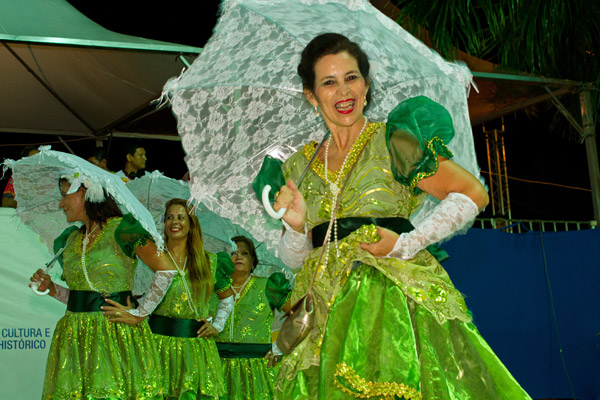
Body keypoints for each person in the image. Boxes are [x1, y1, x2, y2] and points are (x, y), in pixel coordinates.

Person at [271, 33, 531, 399]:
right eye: (329, 82)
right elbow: (296, 259)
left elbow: (473, 194)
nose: (343, 91)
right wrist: (296, 227)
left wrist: (407, 243)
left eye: (352, 77)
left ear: (365, 84)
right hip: (321, 310)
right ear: (311, 96)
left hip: (388, 298)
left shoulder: (394, 140)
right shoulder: (298, 165)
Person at [29, 170, 177, 399]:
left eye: (63, 195)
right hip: (73, 338)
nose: (61, 203)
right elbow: (83, 298)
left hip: (114, 335)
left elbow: (166, 269)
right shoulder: (69, 240)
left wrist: (141, 312)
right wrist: (51, 288)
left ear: (84, 192)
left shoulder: (122, 229)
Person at [104, 198, 236, 400]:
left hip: (195, 352)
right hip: (156, 347)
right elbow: (138, 292)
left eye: (181, 217)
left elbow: (227, 298)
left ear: (191, 225)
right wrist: (135, 309)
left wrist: (218, 325)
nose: (175, 222)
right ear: (163, 224)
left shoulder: (210, 262)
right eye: (169, 218)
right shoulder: (153, 258)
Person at [211, 235, 292, 400]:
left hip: (257, 368)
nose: (238, 256)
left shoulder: (268, 286)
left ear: (253, 261)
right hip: (216, 367)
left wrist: (280, 346)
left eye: (245, 253)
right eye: (233, 252)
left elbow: (297, 315)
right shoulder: (212, 288)